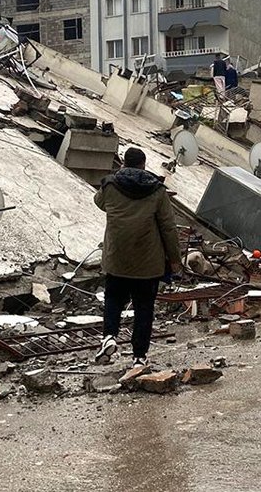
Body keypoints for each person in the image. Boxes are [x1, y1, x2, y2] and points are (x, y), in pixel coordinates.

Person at [93, 147, 181, 368]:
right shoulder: (157, 191)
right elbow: (168, 228)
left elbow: (99, 202)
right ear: (143, 164)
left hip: (117, 259)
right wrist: (175, 260)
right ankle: (139, 357)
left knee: (113, 299)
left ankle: (109, 337)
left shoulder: (110, 186)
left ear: (123, 163)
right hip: (147, 263)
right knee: (144, 308)